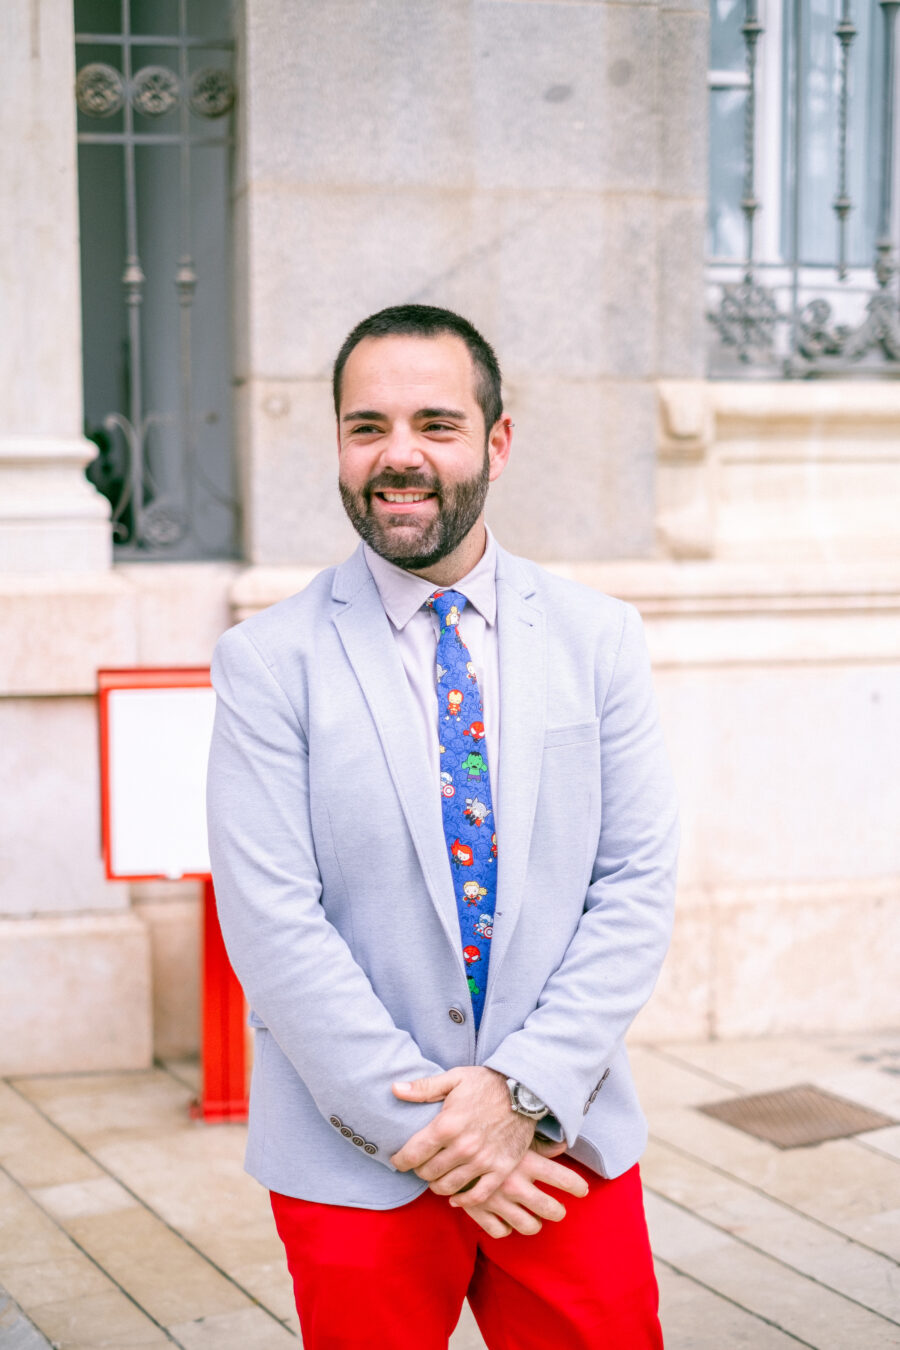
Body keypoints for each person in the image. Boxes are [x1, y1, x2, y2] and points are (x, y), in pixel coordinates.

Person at [206, 303, 679, 1349]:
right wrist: (440, 1131)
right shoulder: (266, 663)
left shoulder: (600, 641)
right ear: (336, 443)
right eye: (366, 426)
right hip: (355, 1159)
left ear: (497, 442)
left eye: (436, 422)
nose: (398, 456)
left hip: (562, 1142)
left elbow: (636, 884)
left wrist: (521, 1094)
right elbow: (273, 925)